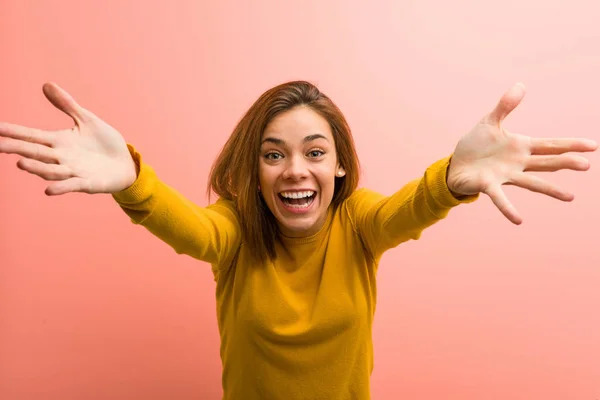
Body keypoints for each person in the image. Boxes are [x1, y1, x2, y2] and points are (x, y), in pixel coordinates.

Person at [0, 80, 596, 399]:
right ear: (254, 170)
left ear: (339, 165)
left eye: (315, 153)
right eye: (273, 154)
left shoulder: (359, 222)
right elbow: (191, 229)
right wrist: (133, 182)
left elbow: (406, 211)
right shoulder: (234, 230)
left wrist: (449, 182)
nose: (294, 170)